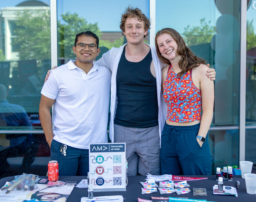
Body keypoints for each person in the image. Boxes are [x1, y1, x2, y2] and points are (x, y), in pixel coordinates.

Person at [46, 7, 216, 176]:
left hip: (152, 130)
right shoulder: (113, 56)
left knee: (151, 180)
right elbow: (89, 66)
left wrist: (206, 70)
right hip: (121, 129)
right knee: (121, 179)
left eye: (138, 26)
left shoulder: (159, 58)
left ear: (145, 31)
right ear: (123, 31)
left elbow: (180, 66)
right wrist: (60, 71)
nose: (134, 30)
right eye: (129, 26)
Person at [39, 31, 110, 176]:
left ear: (97, 51)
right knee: (63, 191)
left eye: (91, 46)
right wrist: (50, 139)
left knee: (92, 194)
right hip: (65, 146)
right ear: (74, 49)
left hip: (97, 147)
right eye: (81, 45)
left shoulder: (107, 73)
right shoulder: (58, 74)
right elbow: (44, 107)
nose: (86, 49)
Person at [155, 28, 214, 175]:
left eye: (169, 41)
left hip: (192, 133)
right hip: (169, 135)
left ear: (178, 41)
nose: (166, 47)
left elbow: (208, 110)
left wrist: (200, 138)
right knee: (169, 184)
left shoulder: (201, 70)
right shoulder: (163, 73)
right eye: (161, 45)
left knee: (197, 187)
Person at [0, 84, 36, 173]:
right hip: (19, 148)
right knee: (34, 140)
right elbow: (29, 130)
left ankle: (1, 165)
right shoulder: (18, 109)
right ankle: (25, 168)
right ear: (7, 93)